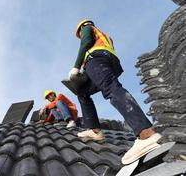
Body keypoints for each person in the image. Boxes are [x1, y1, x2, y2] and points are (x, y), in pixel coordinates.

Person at [68, 19, 162, 164]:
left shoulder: (87, 28)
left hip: (96, 60)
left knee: (111, 88)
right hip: (109, 61)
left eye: (79, 34)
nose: (80, 35)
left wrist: (76, 66)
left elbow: (85, 43)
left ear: (81, 28)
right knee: (82, 92)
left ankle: (146, 133)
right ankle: (94, 130)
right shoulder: (105, 36)